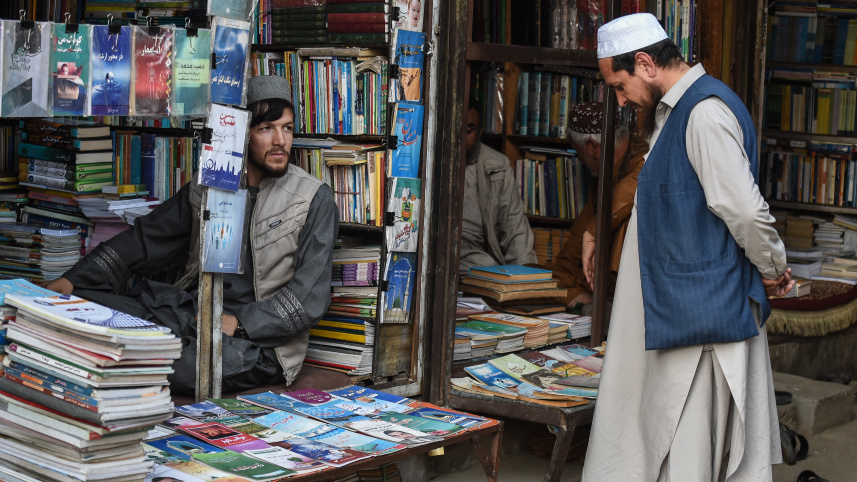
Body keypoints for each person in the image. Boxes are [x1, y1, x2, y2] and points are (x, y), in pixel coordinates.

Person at [581, 14, 794, 481]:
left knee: (689, 444)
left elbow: (743, 209)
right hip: (679, 309)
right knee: (666, 437)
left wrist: (773, 266)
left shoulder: (704, 113)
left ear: (644, 63)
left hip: (702, 320)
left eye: (620, 85)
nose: (620, 99)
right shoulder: (674, 113)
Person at [45, 75, 339, 397]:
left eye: (287, 128)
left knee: (178, 363)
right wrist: (75, 280)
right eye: (266, 128)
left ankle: (151, 346)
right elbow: (149, 238)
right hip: (191, 316)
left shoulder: (313, 198)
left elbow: (308, 297)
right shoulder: (211, 181)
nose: (280, 140)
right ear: (243, 133)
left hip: (258, 347)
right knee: (83, 310)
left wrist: (240, 324)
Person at [545, 101, 648, 311]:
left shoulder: (645, 159)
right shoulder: (602, 177)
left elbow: (628, 192)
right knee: (535, 277)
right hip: (602, 291)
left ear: (592, 148)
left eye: (577, 152)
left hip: (636, 290)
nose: (580, 159)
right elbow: (570, 257)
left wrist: (593, 231)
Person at [460, 98, 537, 271]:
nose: (459, 138)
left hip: (480, 259)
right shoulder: (427, 162)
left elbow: (515, 229)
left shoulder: (497, 166)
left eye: (467, 131)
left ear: (480, 132)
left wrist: (527, 281)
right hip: (443, 255)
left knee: (488, 266)